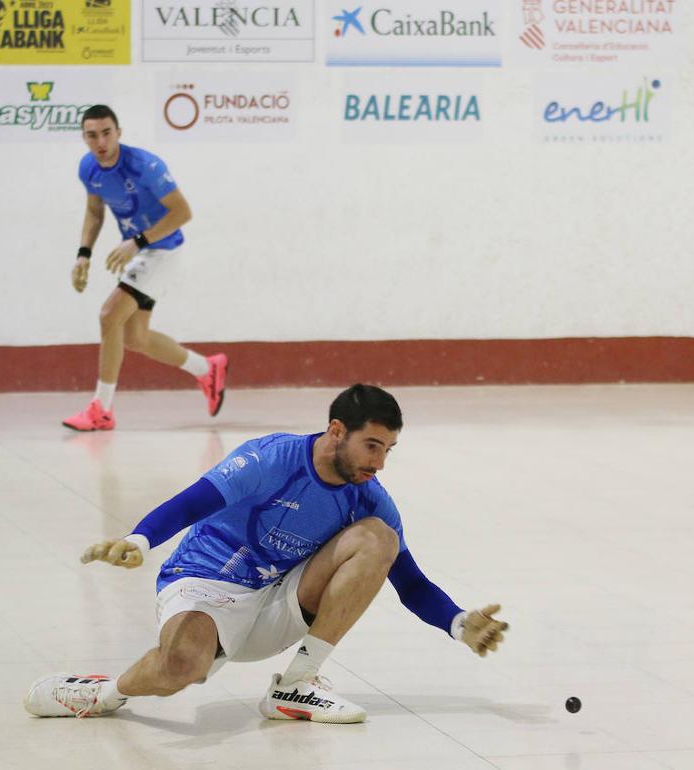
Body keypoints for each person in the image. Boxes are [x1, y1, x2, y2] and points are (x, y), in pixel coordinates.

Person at [25, 384, 509, 723]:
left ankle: (295, 686)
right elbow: (196, 499)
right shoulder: (272, 457)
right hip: (206, 581)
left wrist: (460, 623)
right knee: (182, 669)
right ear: (337, 430)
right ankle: (102, 695)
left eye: (389, 450)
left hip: (279, 597)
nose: (379, 463)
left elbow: (411, 583)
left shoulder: (369, 496)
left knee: (378, 538)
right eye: (372, 446)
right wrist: (139, 540)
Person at [63, 104, 227, 432]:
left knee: (109, 316)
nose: (101, 142)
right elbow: (95, 213)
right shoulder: (89, 169)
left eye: (107, 133)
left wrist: (136, 242)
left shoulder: (146, 166)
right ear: (84, 138)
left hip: (162, 250)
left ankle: (101, 410)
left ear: (119, 132)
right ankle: (206, 369)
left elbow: (182, 213)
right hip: (141, 252)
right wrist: (84, 253)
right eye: (92, 136)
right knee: (134, 338)